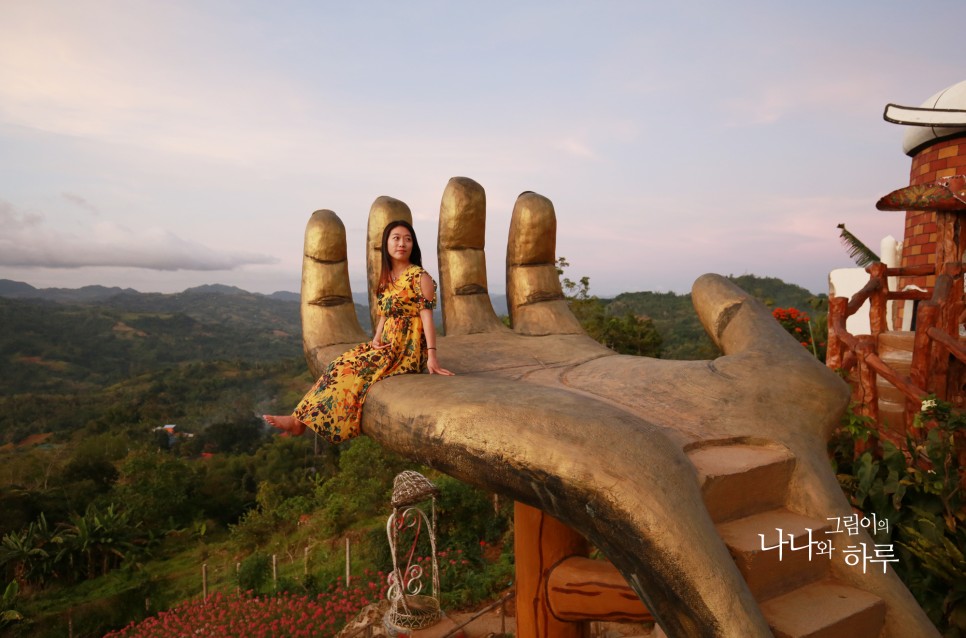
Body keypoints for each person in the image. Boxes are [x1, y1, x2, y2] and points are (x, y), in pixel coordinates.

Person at [264, 220, 454, 443]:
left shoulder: (420, 277)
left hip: (405, 349)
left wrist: (432, 357)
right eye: (396, 238)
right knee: (338, 365)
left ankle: (298, 422)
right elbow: (384, 313)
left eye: (408, 239)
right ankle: (300, 419)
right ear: (386, 244)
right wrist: (375, 338)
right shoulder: (386, 277)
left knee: (353, 372)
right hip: (384, 343)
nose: (402, 243)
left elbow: (426, 318)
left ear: (413, 245)